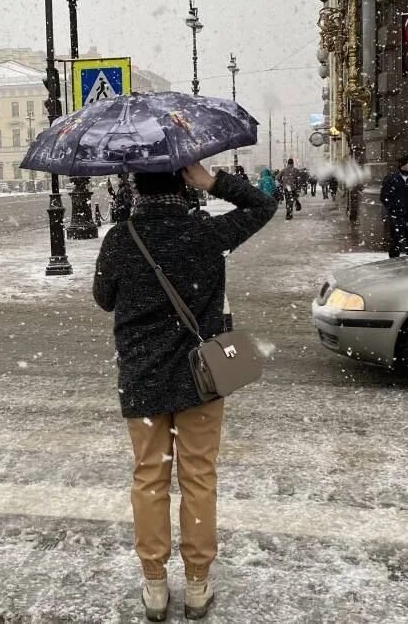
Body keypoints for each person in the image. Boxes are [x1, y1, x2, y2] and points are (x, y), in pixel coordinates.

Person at [93, 164, 276, 622]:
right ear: (182, 185)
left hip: (143, 378)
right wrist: (214, 182)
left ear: (136, 188)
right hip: (203, 378)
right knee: (198, 479)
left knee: (149, 480)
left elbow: (104, 298)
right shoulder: (207, 233)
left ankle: (155, 585)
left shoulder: (121, 238)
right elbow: (264, 205)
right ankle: (197, 584)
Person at [380, 156, 408, 258]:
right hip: (397, 217)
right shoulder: (391, 179)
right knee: (395, 243)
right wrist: (393, 209)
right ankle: (394, 263)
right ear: (403, 165)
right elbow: (384, 197)